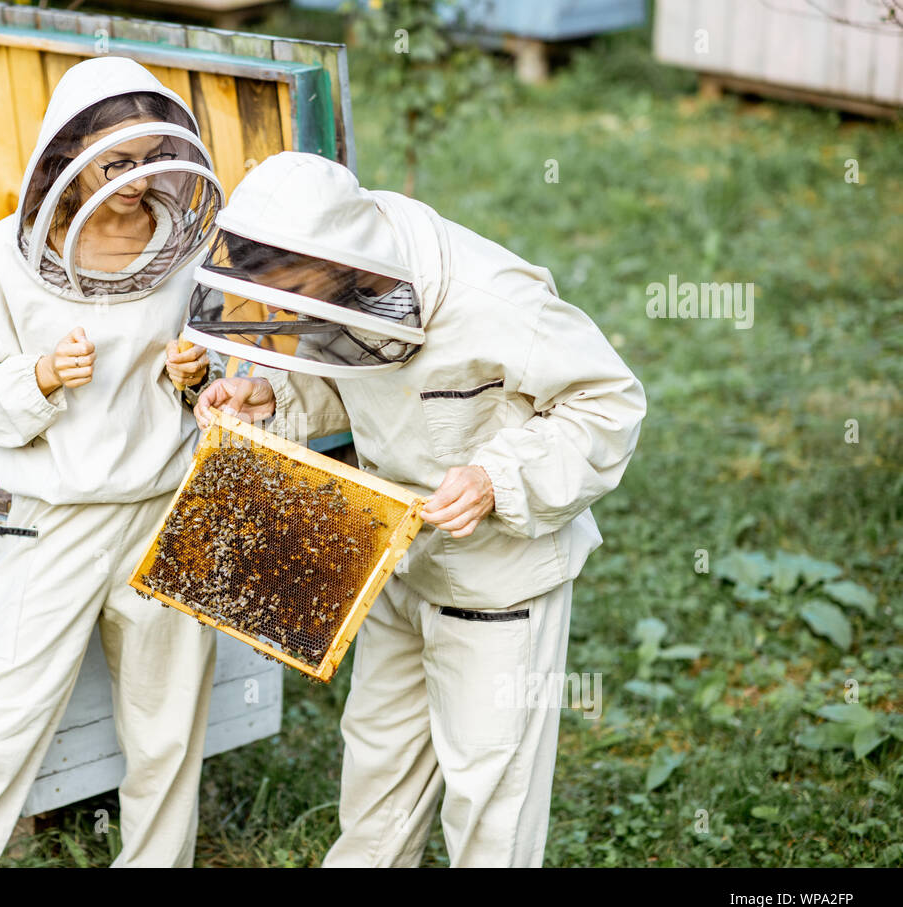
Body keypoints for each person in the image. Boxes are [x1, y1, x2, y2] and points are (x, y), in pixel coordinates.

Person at [187, 151, 647, 867]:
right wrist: (273, 397)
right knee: (377, 770)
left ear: (344, 260)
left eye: (294, 292)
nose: (284, 314)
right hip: (395, 560)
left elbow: (610, 402)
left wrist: (498, 477)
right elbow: (355, 371)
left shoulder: (493, 298)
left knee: (488, 795)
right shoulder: (344, 277)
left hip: (497, 583)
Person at [0, 56, 224, 868]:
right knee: (0, 722)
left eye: (153, 159)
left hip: (164, 511)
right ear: (67, 154)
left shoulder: (184, 249)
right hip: (56, 521)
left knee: (167, 727)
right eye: (116, 162)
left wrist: (197, 378)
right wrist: (39, 376)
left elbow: (225, 381)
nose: (137, 180)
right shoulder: (3, 258)